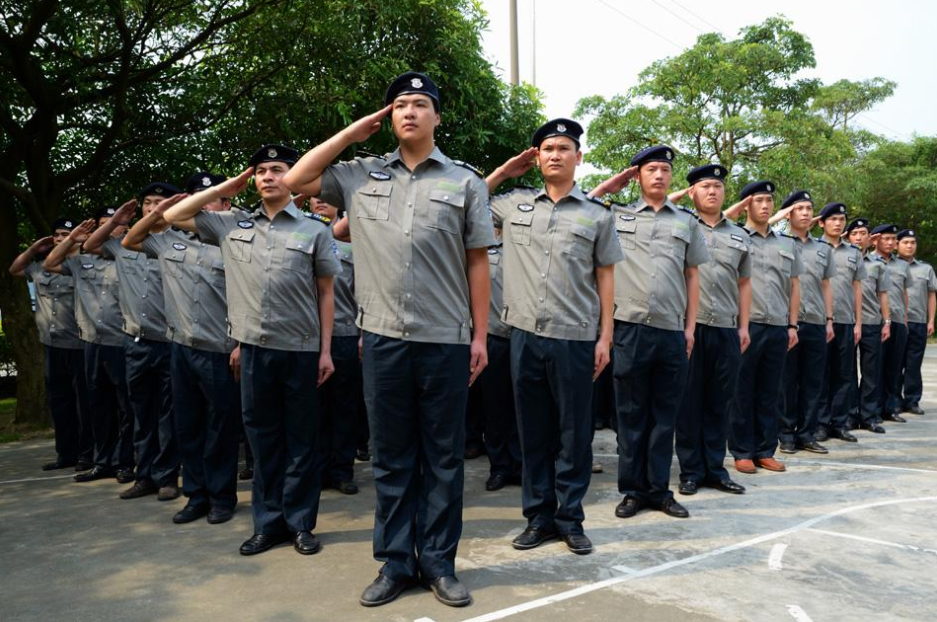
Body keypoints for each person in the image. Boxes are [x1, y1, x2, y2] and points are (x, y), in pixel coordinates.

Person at [282, 72, 494, 608]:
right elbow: (296, 181)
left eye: (420, 104)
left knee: (443, 458)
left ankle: (440, 564)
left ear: (437, 117)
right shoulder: (358, 175)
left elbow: (477, 263)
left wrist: (480, 337)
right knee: (392, 456)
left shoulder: (464, 182)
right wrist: (352, 134)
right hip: (382, 340)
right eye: (399, 105)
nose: (409, 112)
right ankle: (397, 563)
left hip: (446, 338)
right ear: (387, 118)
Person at [164, 144, 340, 557]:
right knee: (262, 441)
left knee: (300, 441)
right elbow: (172, 216)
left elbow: (326, 293)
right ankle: (268, 524)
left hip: (300, 349)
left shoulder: (314, 230)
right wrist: (229, 184)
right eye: (260, 171)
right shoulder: (231, 225)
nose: (267, 177)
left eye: (277, 169)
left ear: (292, 176)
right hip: (256, 351)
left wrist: (326, 351)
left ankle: (300, 524)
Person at [486, 118, 621, 553]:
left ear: (578, 157)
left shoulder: (596, 215)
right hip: (523, 334)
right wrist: (507, 171)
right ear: (536, 157)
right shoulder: (514, 205)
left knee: (574, 434)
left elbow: (606, 277)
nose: (555, 154)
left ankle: (571, 518)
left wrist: (605, 337)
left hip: (576, 338)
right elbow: (467, 200)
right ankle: (538, 517)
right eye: (547, 148)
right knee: (534, 433)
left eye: (564, 148)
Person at [591, 145, 709, 520]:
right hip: (629, 328)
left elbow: (693, 276)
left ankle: (659, 490)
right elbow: (582, 203)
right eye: (650, 169)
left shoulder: (686, 222)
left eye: (664, 170)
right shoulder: (616, 214)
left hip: (672, 331)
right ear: (637, 175)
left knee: (664, 416)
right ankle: (632, 491)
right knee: (630, 414)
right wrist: (611, 186)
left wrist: (690, 327)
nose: (659, 175)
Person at [122, 172, 243, 524]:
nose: (203, 205)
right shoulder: (166, 240)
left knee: (221, 428)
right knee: (187, 425)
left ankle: (222, 497)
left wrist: (240, 343)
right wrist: (161, 210)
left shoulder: (235, 241)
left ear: (225, 204)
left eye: (211, 198)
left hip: (221, 348)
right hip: (180, 348)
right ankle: (196, 495)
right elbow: (130, 240)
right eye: (196, 198)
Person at [83, 184, 181, 502]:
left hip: (168, 342)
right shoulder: (123, 244)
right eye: (148, 203)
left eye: (159, 203)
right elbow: (90, 245)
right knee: (140, 412)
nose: (153, 208)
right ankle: (145, 476)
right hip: (135, 343)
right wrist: (114, 221)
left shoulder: (176, 242)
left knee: (168, 414)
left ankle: (167, 477)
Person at [669, 164, 750, 496]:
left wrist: (743, 326)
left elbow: (745, 284)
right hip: (691, 327)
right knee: (689, 402)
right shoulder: (681, 225)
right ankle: (690, 471)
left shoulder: (739, 235)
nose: (712, 191)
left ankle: (715, 469)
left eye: (717, 186)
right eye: (704, 186)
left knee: (720, 401)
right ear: (692, 192)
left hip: (726, 328)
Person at [43, 207, 135, 484]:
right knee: (98, 406)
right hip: (92, 344)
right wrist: (72, 238)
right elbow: (49, 263)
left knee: (126, 407)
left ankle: (126, 461)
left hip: (121, 342)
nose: (108, 229)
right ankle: (103, 460)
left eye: (115, 224)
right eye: (102, 225)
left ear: (125, 228)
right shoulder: (81, 261)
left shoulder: (128, 256)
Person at [727, 181, 802, 474]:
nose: (766, 205)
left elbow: (794, 287)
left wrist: (792, 325)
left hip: (777, 326)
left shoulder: (785, 244)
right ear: (747, 204)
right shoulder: (735, 237)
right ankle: (742, 450)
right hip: (745, 325)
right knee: (742, 390)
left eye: (769, 200)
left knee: (770, 391)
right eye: (759, 200)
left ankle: (764, 449)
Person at [9, 219, 92, 471]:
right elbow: (14, 269)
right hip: (52, 345)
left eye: (65, 234)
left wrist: (75, 244)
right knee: (59, 403)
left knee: (83, 404)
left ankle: (86, 454)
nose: (59, 238)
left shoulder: (81, 267)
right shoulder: (40, 268)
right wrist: (34, 248)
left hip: (78, 344)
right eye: (56, 234)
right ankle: (65, 454)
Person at [771, 191, 836, 452]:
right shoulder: (777, 241)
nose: (806, 213)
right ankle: (786, 434)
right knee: (787, 381)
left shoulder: (822, 248)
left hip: (817, 322)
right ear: (788, 213)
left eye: (809, 208)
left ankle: (807, 434)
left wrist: (830, 319)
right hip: (786, 322)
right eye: (800, 208)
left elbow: (827, 286)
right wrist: (777, 220)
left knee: (813, 381)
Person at [308, 198, 361, 495]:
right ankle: (315, 469)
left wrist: (363, 333)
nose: (320, 202)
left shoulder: (352, 249)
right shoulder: (302, 239)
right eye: (315, 198)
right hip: (308, 337)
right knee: (312, 408)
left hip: (345, 334)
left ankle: (341, 470)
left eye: (327, 199)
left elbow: (363, 291)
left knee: (344, 405)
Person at [816, 203, 866, 441]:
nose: (838, 223)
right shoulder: (813, 247)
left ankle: (839, 422)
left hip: (846, 321)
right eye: (833, 219)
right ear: (822, 223)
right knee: (820, 374)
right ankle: (821, 423)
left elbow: (857, 289)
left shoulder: (854, 253)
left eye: (841, 219)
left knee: (844, 374)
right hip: (818, 320)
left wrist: (858, 323)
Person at [479, 229, 522, 492]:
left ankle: (520, 465)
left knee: (524, 406)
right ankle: (499, 467)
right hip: (492, 336)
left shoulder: (523, 245)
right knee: (494, 407)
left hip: (522, 335)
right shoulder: (483, 248)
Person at [846, 219, 891, 434]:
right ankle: (848, 415)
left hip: (872, 322)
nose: (858, 237)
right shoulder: (840, 258)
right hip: (847, 322)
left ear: (869, 237)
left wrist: (887, 322)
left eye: (862, 233)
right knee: (846, 372)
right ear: (848, 236)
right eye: (854, 233)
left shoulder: (877, 265)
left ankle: (868, 416)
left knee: (871, 372)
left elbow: (883, 295)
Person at [868, 224, 911, 423]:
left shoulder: (902, 265)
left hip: (897, 321)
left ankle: (891, 407)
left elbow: (904, 293)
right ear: (876, 240)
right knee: (875, 367)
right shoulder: (867, 261)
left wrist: (904, 319)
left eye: (893, 239)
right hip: (876, 320)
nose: (890, 242)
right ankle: (873, 409)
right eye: (886, 238)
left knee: (895, 367)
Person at [896, 229, 936, 415]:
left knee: (913, 363)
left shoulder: (925, 269)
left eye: (912, 242)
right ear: (897, 245)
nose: (910, 246)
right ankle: (894, 400)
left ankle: (912, 400)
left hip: (918, 322)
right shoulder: (889, 266)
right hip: (895, 322)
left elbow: (931, 296)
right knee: (894, 363)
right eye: (905, 242)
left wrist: (931, 320)